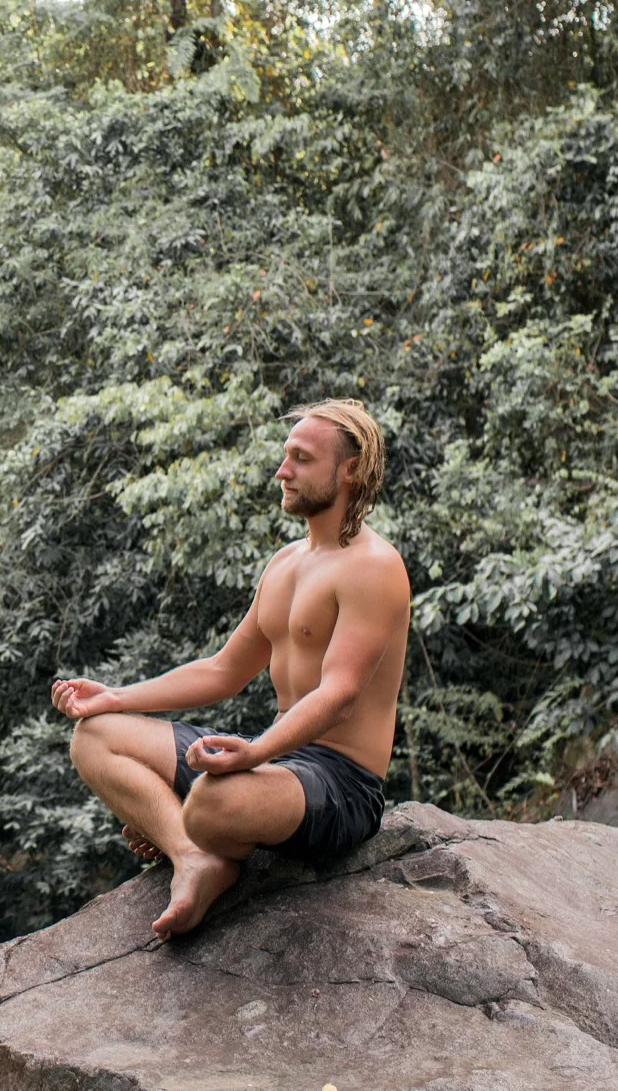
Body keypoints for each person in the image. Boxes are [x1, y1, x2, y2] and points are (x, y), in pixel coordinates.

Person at [51, 399, 411, 940]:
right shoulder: (286, 563)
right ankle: (194, 856)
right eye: (285, 456)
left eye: (301, 459)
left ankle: (191, 826)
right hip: (276, 761)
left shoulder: (374, 567)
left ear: (350, 469)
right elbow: (224, 670)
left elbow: (339, 695)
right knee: (94, 737)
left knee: (211, 802)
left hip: (340, 784)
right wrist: (114, 697)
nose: (282, 471)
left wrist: (254, 753)